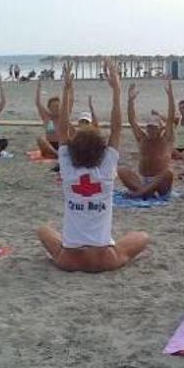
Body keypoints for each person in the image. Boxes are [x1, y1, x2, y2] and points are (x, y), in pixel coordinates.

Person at [36, 60, 149, 273]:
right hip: (103, 259)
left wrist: (67, 89)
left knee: (43, 230)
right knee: (143, 236)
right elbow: (117, 129)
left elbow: (61, 130)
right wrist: (116, 90)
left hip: (69, 259)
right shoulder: (106, 170)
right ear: (101, 150)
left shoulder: (68, 170)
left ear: (72, 150)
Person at [116, 80, 176, 198]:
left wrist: (170, 96)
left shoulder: (166, 139)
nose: (151, 130)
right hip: (143, 181)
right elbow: (132, 120)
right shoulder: (142, 138)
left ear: (160, 129)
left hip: (160, 183)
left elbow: (170, 117)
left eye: (154, 128)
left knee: (168, 173)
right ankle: (145, 191)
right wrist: (130, 101)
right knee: (122, 170)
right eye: (149, 128)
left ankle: (142, 193)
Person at [35, 80, 64, 159]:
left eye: (57, 106)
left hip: (61, 144)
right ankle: (57, 154)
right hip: (49, 145)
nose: (56, 109)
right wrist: (39, 88)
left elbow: (69, 101)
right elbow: (38, 103)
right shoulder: (46, 116)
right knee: (40, 139)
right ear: (49, 108)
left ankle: (58, 154)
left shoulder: (63, 116)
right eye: (53, 107)